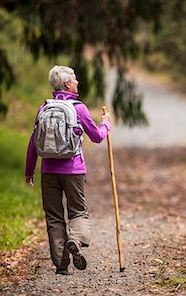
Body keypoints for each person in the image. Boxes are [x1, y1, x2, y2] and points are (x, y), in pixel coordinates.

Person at [25, 65, 111, 275]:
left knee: (54, 217)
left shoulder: (44, 107)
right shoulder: (78, 108)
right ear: (66, 84)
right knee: (78, 211)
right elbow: (97, 137)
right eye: (74, 79)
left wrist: (29, 171)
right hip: (73, 171)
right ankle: (76, 239)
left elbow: (33, 142)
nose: (77, 82)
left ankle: (62, 265)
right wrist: (106, 124)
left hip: (48, 171)